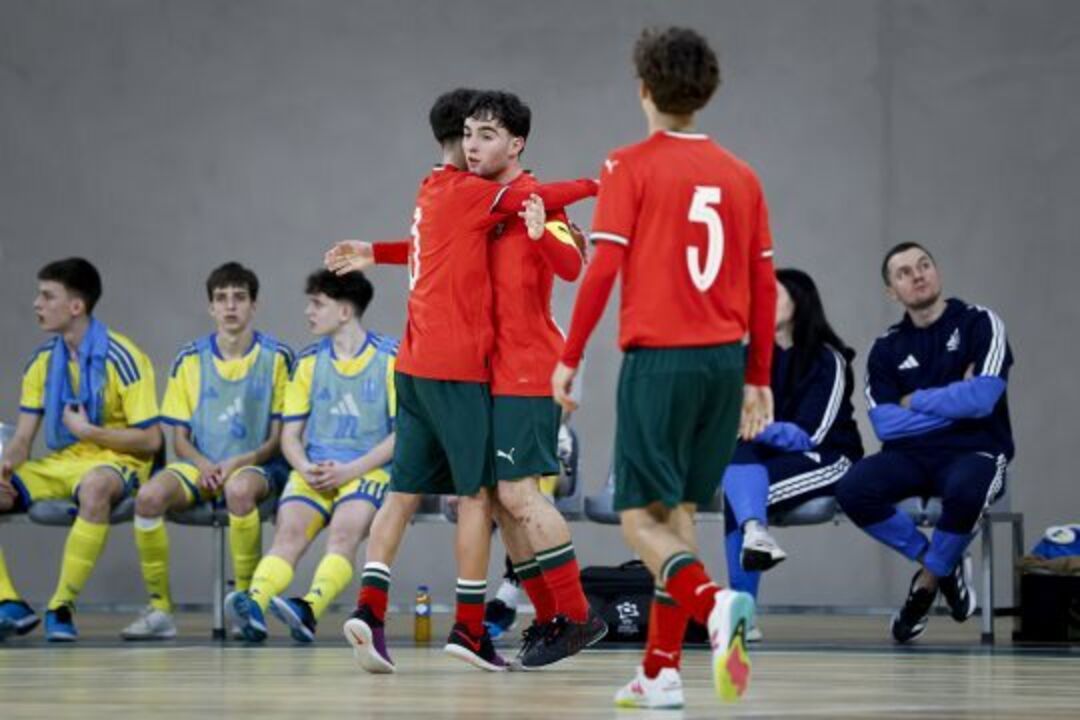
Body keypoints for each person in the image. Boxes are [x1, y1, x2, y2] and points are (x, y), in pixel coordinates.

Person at [327, 88, 597, 673]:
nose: (473, 146)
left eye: (488, 136)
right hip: (485, 375)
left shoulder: (533, 204)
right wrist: (376, 251)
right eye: (469, 134)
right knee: (500, 502)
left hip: (526, 372)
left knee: (519, 496)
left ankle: (577, 615)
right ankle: (551, 615)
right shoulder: (476, 197)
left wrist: (548, 222)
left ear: (516, 143)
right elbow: (436, 246)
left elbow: (574, 265)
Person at [552, 27, 777, 709]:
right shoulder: (742, 175)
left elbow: (604, 268)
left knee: (635, 520)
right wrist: (758, 377)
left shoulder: (629, 165)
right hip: (724, 364)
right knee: (676, 516)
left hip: (661, 362)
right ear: (705, 94)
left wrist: (569, 355)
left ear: (643, 88)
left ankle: (712, 605)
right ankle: (661, 672)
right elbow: (763, 285)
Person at [836, 243, 1013, 643]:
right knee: (852, 489)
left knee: (968, 489)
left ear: (937, 271)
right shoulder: (886, 349)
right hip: (909, 456)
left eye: (924, 265)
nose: (917, 275)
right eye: (903, 273)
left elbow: (983, 400)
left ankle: (926, 584)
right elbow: (884, 424)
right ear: (891, 291)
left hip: (975, 449)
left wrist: (913, 400)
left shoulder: (980, 323)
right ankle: (942, 565)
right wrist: (957, 399)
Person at [121, 262, 293, 640]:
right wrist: (202, 464)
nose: (230, 306)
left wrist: (237, 463)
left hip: (256, 465)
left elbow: (279, 439)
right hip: (199, 465)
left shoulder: (278, 357)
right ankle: (160, 609)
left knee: (239, 490)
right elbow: (179, 438)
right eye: (221, 298)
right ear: (211, 308)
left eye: (239, 298)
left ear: (254, 305)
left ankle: (248, 605)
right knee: (148, 498)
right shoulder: (189, 359)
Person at [224, 269, 396, 644]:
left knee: (344, 534)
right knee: (288, 534)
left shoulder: (389, 359)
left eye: (318, 304)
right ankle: (255, 604)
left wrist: (350, 469)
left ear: (346, 312)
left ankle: (309, 609)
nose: (308, 312)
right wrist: (304, 467)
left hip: (368, 469)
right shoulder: (307, 363)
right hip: (315, 470)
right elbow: (290, 436)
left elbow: (403, 436)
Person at [0, 258, 161, 642]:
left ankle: (61, 606)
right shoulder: (41, 362)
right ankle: (8, 603)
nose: (37, 304)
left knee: (95, 488)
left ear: (76, 306)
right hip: (61, 463)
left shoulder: (124, 357)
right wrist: (5, 466)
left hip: (119, 462)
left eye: (47, 296)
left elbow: (151, 440)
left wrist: (90, 431)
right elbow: (23, 438)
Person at [722, 269, 863, 640]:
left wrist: (749, 425)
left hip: (829, 459)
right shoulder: (749, 356)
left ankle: (743, 612)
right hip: (768, 459)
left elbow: (811, 435)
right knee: (736, 469)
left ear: (799, 301)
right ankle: (755, 539)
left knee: (741, 494)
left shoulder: (827, 359)